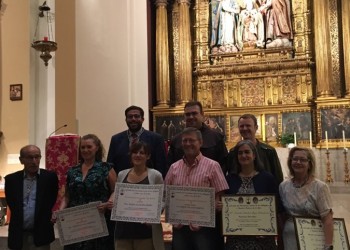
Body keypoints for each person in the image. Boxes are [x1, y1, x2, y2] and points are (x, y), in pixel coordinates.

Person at [165, 127, 229, 250]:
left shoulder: (213, 166)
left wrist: (215, 206)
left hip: (204, 228)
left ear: (200, 142)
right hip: (180, 227)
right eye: (184, 141)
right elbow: (167, 193)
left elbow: (220, 193)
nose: (187, 144)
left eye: (191, 140)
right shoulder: (174, 167)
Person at [60, 134, 117, 250]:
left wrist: (108, 204)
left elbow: (116, 191)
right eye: (83, 147)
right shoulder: (72, 171)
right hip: (75, 221)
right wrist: (60, 211)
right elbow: (67, 196)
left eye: (89, 147)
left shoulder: (106, 168)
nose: (85, 150)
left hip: (98, 220)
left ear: (96, 148)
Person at [224, 140, 281, 249]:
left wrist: (267, 227)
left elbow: (276, 206)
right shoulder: (230, 179)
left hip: (262, 238)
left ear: (254, 155)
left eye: (247, 152)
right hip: (236, 239)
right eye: (240, 153)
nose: (243, 155)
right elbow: (226, 206)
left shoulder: (267, 178)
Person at [5, 145, 59, 250]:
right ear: (21, 160)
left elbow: (51, 200)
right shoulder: (11, 180)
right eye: (30, 157)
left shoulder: (50, 178)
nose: (34, 161)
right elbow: (13, 205)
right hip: (18, 234)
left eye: (37, 157)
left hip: (41, 233)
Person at [279, 147, 334, 250]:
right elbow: (282, 216)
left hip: (313, 239)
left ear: (310, 164)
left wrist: (328, 245)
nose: (298, 162)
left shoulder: (320, 187)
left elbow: (327, 219)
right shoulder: (283, 186)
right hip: (290, 238)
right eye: (295, 159)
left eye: (303, 159)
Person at [114, 141, 165, 250]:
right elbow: (117, 197)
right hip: (123, 232)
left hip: (146, 233)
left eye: (142, 153)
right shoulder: (121, 174)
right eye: (134, 152)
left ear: (148, 156)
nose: (137, 155)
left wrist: (154, 216)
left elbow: (163, 200)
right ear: (130, 155)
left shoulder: (155, 175)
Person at [167, 101, 228, 173]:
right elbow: (170, 166)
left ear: (202, 115)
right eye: (188, 114)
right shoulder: (176, 140)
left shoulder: (216, 137)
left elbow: (224, 165)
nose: (191, 117)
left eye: (194, 113)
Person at [107, 105, 167, 177]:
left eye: (136, 116)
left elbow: (161, 166)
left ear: (142, 119)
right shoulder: (116, 139)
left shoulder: (156, 139)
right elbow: (110, 166)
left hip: (148, 184)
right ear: (126, 120)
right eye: (130, 117)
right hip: (122, 183)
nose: (133, 119)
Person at [226, 113, 284, 184]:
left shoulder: (269, 151)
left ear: (256, 127)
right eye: (241, 126)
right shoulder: (233, 152)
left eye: (248, 126)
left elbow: (278, 177)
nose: (244, 128)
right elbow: (231, 176)